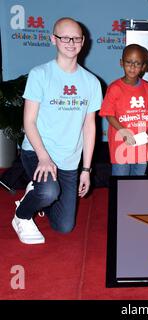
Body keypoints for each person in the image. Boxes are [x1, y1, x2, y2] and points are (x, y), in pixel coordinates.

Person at [12, 17, 103, 244]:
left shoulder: (91, 82)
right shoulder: (40, 74)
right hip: (38, 152)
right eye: (65, 38)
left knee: (64, 226)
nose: (71, 43)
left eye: (76, 38)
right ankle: (22, 214)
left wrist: (86, 169)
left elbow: (89, 126)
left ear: (83, 42)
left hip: (69, 161)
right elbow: (29, 122)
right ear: (54, 40)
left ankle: (38, 193)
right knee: (49, 191)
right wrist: (43, 157)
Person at [99, 44, 148, 176]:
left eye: (137, 63)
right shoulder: (114, 88)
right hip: (121, 146)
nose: (132, 66)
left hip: (141, 147)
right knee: (120, 182)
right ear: (121, 63)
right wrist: (123, 131)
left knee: (138, 183)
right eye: (128, 62)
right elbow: (108, 114)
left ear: (144, 67)